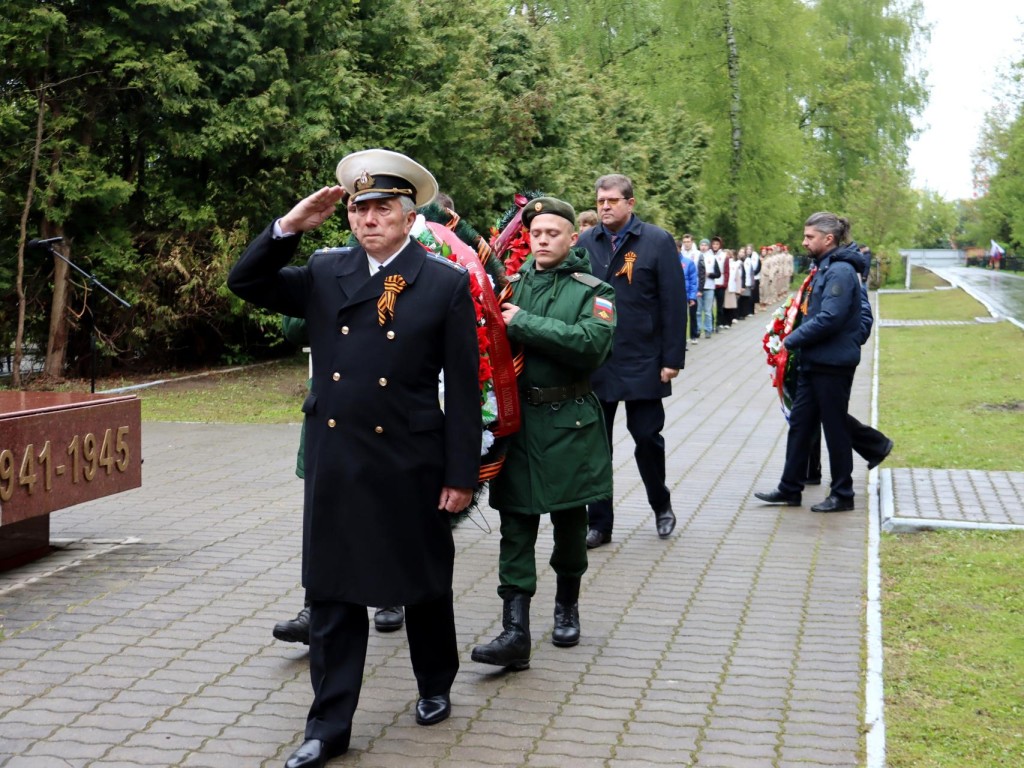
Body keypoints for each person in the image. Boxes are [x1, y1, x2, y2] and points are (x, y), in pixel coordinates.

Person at [228, 149, 481, 768]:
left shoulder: (443, 282)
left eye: (381, 208)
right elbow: (247, 283)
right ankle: (328, 726)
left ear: (408, 214)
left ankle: (434, 682)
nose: (368, 219)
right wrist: (288, 226)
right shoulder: (324, 270)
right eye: (360, 209)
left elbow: (465, 385)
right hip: (338, 456)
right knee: (333, 592)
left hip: (410, 457)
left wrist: (460, 475)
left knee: (420, 582)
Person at [470, 196, 615, 670]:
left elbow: (591, 347)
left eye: (554, 233)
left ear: (573, 238)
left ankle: (567, 606)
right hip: (517, 425)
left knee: (570, 527)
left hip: (570, 423)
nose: (543, 240)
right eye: (536, 233)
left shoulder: (594, 289)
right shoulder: (509, 286)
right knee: (515, 526)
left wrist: (524, 324)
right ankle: (515, 632)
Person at [272, 315, 405, 646]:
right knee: (324, 518)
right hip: (330, 412)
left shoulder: (394, 268)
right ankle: (315, 608)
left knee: (383, 507)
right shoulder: (325, 266)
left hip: (381, 408)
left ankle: (389, 592)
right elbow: (293, 329)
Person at [577, 174, 687, 548]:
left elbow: (673, 302)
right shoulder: (585, 243)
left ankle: (661, 505)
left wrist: (672, 358)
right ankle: (600, 524)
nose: (605, 206)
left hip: (643, 359)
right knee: (595, 448)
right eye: (600, 201)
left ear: (630, 203)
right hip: (597, 360)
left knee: (647, 439)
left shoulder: (655, 241)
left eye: (612, 200)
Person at [755, 211, 868, 513]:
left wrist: (790, 341)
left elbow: (830, 318)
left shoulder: (840, 272)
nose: (804, 242)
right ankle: (790, 487)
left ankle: (843, 493)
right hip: (814, 362)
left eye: (810, 237)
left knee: (835, 430)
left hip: (832, 364)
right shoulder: (825, 267)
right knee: (800, 425)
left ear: (828, 239)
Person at [679, 235, 700, 345]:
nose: (686, 243)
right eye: (684, 242)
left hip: (689, 291)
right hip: (677, 293)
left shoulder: (695, 255)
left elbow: (694, 278)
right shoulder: (670, 259)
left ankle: (693, 335)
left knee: (692, 315)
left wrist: (693, 294)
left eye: (688, 241)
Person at [696, 238, 716, 339]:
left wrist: (710, 274)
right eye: (702, 245)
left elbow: (718, 273)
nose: (703, 247)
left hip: (709, 287)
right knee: (698, 311)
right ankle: (698, 329)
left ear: (708, 247)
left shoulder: (712, 257)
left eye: (705, 245)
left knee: (707, 310)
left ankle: (708, 329)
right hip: (698, 287)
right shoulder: (696, 256)